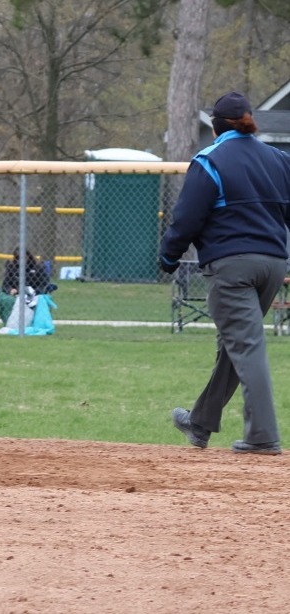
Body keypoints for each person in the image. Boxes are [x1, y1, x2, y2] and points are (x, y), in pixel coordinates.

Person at [160, 91, 290, 455]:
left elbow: (187, 219)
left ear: (215, 127)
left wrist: (169, 257)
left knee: (246, 346)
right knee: (235, 346)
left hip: (232, 267)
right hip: (273, 265)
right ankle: (199, 422)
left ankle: (263, 436)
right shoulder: (279, 159)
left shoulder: (210, 160)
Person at [0, 247, 53, 324]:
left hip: (34, 294)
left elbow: (44, 284)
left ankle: (34, 323)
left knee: (40, 300)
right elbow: (5, 284)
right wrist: (10, 290)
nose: (21, 260)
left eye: (24, 257)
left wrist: (34, 292)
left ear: (29, 256)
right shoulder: (12, 267)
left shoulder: (38, 268)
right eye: (18, 258)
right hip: (16, 294)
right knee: (6, 300)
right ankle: (11, 324)